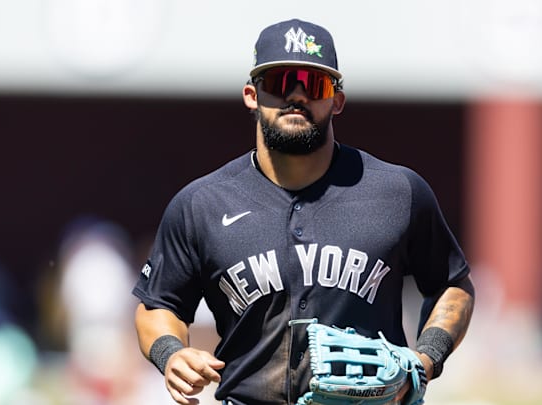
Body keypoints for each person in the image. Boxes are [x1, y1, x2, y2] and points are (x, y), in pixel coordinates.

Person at [133, 18, 475, 405]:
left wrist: (425, 358)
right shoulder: (202, 204)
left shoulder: (397, 192)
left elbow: (452, 284)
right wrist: (170, 353)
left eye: (314, 84)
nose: (296, 96)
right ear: (251, 94)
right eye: (280, 83)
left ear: (337, 100)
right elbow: (158, 304)